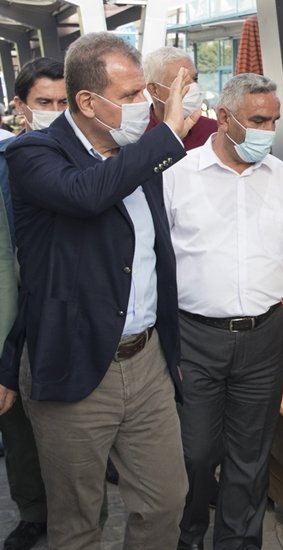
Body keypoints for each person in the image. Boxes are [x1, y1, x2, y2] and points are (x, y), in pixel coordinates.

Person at [0, 32, 198, 548]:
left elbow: (155, 257)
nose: (143, 107)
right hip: (74, 361)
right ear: (88, 101)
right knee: (78, 519)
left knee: (165, 501)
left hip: (146, 363)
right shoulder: (34, 153)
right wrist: (168, 135)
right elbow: (85, 195)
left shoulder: (137, 154)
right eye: (131, 96)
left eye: (143, 94)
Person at [164, 73, 283, 550]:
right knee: (194, 453)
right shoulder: (177, 176)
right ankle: (188, 535)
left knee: (250, 455)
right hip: (195, 338)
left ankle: (237, 542)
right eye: (258, 120)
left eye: (273, 120)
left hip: (263, 338)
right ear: (225, 117)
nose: (268, 130)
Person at [0, 56, 69, 550]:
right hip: (14, 306)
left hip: (62, 308)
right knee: (17, 420)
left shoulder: (86, 158)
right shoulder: (7, 163)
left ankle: (73, 513)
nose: (54, 110)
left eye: (64, 102)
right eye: (44, 102)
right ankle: (33, 511)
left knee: (68, 423)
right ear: (21, 106)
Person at [144, 46, 217, 151]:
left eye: (195, 78)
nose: (193, 87)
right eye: (181, 81)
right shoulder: (137, 136)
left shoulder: (213, 132)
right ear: (154, 90)